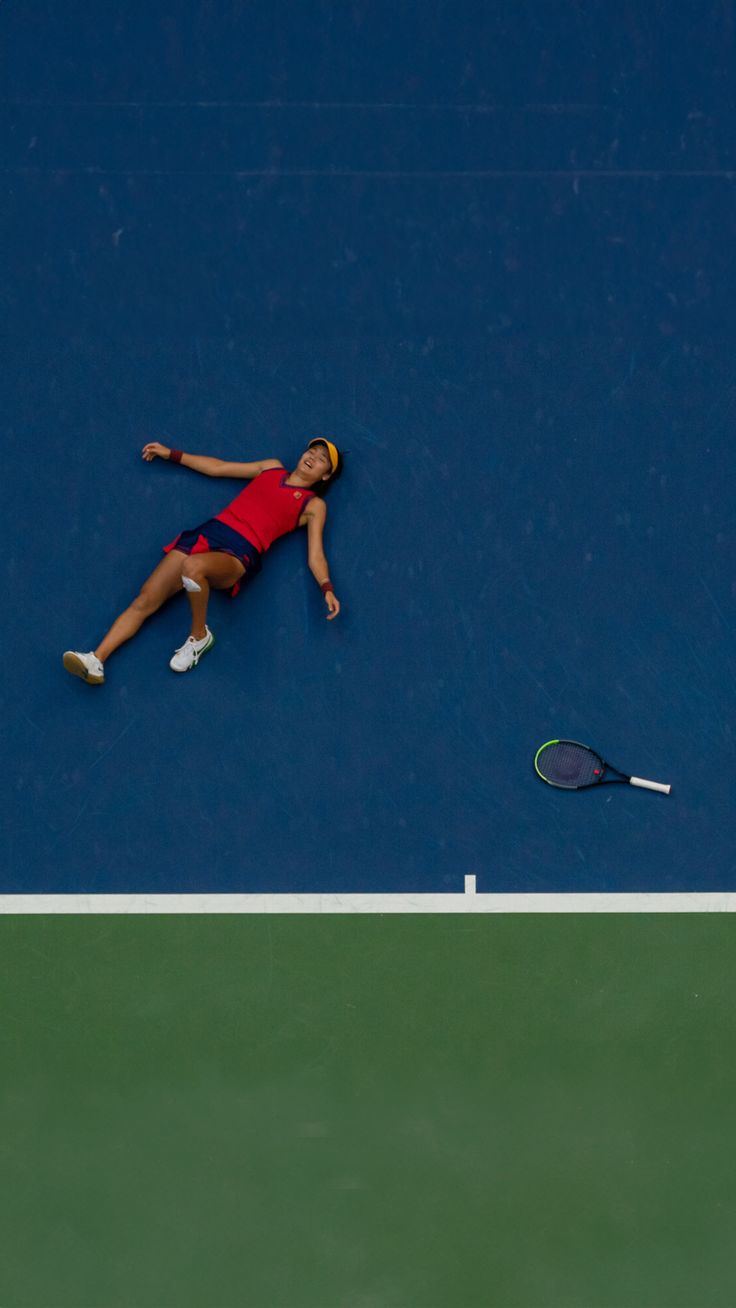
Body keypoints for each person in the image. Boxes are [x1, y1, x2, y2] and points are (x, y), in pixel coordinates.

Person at [63, 438, 343, 685]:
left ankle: (199, 637)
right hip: (209, 532)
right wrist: (171, 454)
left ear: (325, 475)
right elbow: (217, 467)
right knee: (145, 599)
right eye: (312, 451)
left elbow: (315, 554)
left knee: (193, 568)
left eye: (321, 460)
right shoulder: (270, 467)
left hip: (239, 553)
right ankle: (96, 660)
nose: (312, 458)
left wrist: (326, 587)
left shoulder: (314, 506)